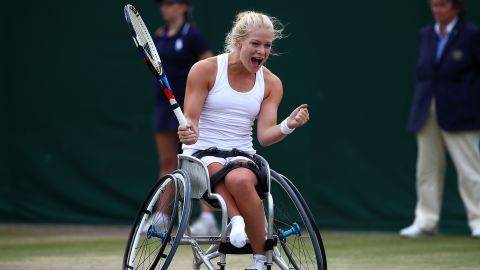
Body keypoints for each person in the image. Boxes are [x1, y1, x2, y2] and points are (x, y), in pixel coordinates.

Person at [178, 11, 310, 269]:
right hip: (201, 152)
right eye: (256, 44)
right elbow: (190, 120)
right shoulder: (205, 70)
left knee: (239, 177)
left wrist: (288, 125)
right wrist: (187, 130)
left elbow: (265, 136)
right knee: (215, 168)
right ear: (238, 42)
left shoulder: (272, 83)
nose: (262, 51)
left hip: (241, 155)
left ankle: (260, 259)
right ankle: (237, 220)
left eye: (268, 45)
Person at [401, 0, 480, 238]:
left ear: (456, 7)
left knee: (470, 169)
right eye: (434, 5)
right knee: (427, 169)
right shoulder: (425, 35)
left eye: (443, 5)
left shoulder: (472, 35)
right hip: (427, 110)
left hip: (462, 112)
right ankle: (426, 222)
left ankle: (478, 221)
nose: (437, 10)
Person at [152, 0, 218, 235]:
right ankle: (161, 217)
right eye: (163, 4)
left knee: (197, 159)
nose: (165, 8)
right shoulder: (159, 37)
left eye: (170, 3)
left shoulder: (193, 36)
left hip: (189, 106)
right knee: (168, 163)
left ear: (183, 7)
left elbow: (209, 66)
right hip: (164, 106)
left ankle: (208, 218)